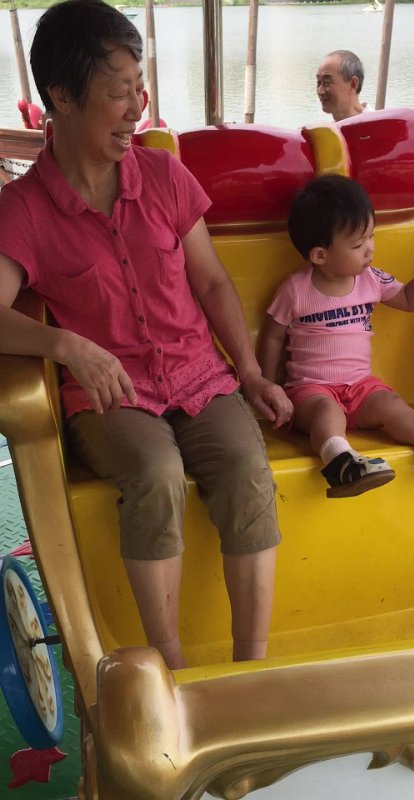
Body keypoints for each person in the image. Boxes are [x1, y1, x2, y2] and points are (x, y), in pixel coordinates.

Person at [0, 0, 293, 670]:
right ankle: (171, 669)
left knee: (247, 469)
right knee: (156, 474)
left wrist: (250, 372)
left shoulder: (163, 175)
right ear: (62, 96)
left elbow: (212, 283)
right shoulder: (23, 209)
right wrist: (67, 347)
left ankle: (251, 668)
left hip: (199, 374)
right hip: (112, 395)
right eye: (119, 92)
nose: (138, 108)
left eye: (141, 88)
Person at [259, 174, 414, 499]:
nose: (370, 249)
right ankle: (341, 463)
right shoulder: (295, 290)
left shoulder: (371, 279)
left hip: (361, 387)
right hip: (311, 390)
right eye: (358, 244)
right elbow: (273, 337)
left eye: (371, 236)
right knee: (327, 413)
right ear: (320, 255)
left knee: (390, 403)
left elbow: (411, 300)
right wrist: (269, 386)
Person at [316, 50, 373, 122]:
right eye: (318, 82)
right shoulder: (329, 128)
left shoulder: (377, 125)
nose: (320, 91)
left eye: (327, 83)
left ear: (353, 84)